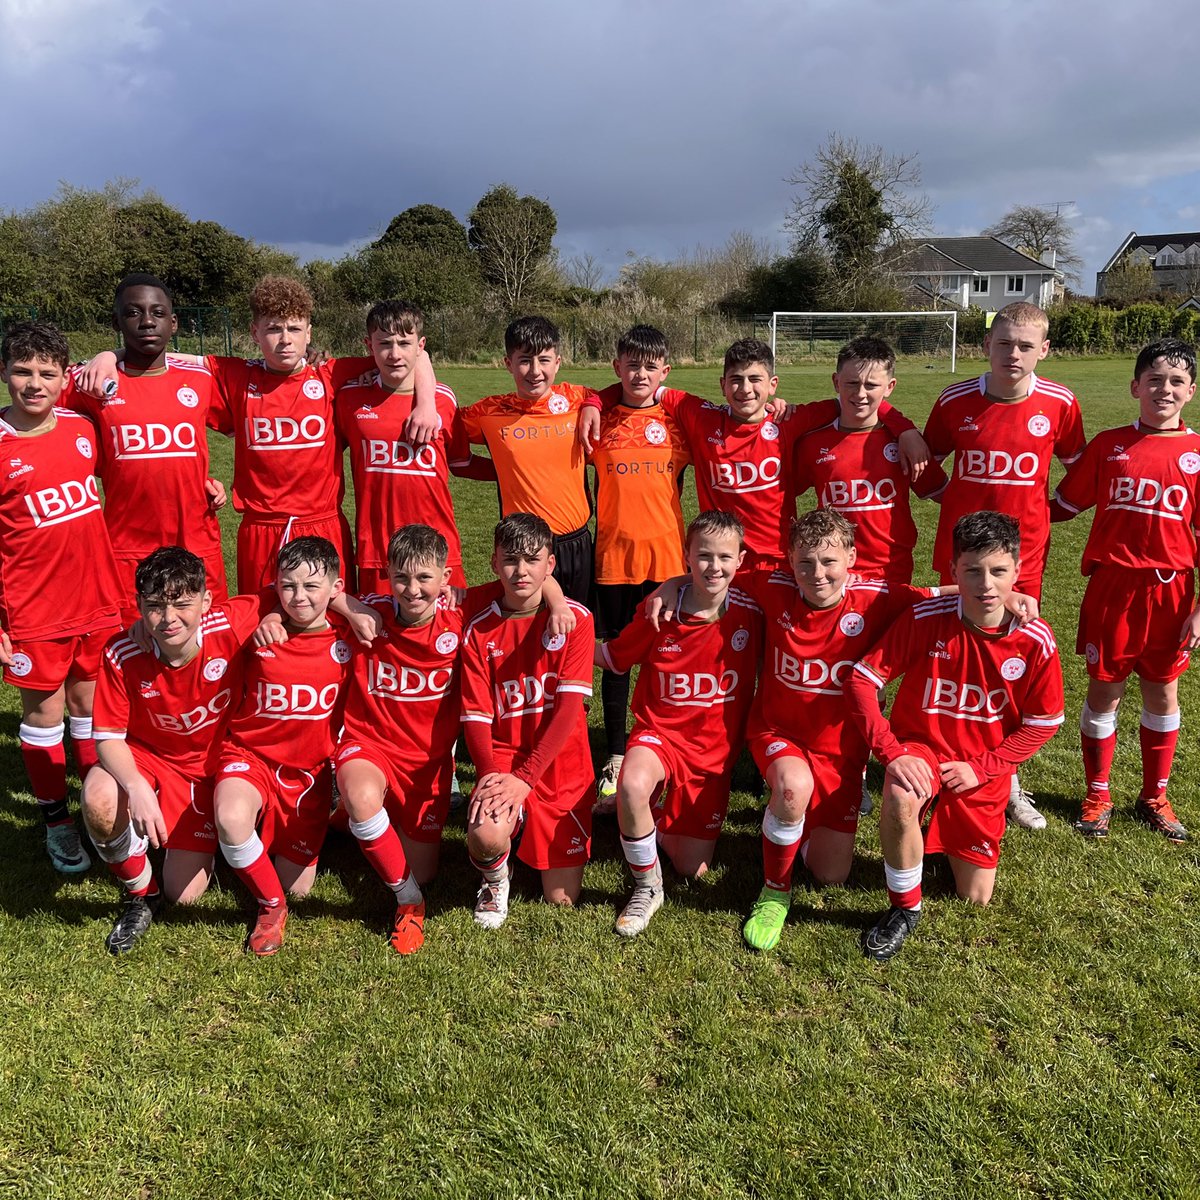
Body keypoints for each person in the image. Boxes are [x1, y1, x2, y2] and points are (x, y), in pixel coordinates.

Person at [80, 275, 441, 594]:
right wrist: (107, 355)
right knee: (263, 628)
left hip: (322, 524)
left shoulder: (331, 374)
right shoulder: (234, 375)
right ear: (255, 333)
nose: (285, 340)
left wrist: (426, 405)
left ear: (309, 332)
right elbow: (157, 352)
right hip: (260, 530)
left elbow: (414, 353)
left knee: (334, 625)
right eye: (272, 329)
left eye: (294, 329)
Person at [334, 522, 577, 953]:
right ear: (386, 573)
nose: (412, 590)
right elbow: (307, 595)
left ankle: (352, 827)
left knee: (425, 868)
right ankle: (408, 901)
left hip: (426, 764)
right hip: (369, 746)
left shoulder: (462, 614)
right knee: (360, 795)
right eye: (401, 578)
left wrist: (557, 599)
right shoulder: (369, 611)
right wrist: (347, 606)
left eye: (425, 578)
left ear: (447, 579)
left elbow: (525, 580)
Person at [847, 512, 1065, 961]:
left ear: (1018, 572)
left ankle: (943, 826)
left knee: (974, 897)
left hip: (980, 763)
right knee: (901, 793)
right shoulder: (926, 617)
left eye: (999, 571)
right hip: (921, 748)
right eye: (972, 570)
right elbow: (862, 679)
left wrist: (982, 769)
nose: (986, 584)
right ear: (953, 570)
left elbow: (1043, 723)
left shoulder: (1035, 640)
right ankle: (904, 908)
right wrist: (890, 752)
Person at [923, 301, 1085, 831]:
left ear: (1044, 350)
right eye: (1003, 343)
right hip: (962, 557)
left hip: (1022, 562)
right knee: (947, 660)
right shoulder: (954, 400)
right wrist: (951, 501)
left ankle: (1007, 782)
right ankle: (939, 769)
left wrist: (1047, 512)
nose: (1012, 353)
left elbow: (1080, 472)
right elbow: (923, 465)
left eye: (1024, 345)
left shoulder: (1061, 404)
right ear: (986, 346)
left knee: (1007, 665)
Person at [580, 337, 929, 576]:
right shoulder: (700, 416)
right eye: (736, 380)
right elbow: (644, 384)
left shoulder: (791, 421)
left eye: (755, 380)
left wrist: (905, 428)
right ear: (722, 385)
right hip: (720, 561)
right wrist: (596, 402)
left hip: (780, 561)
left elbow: (860, 399)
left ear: (773, 384)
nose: (745, 389)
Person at [81, 547, 280, 953]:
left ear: (206, 602)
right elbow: (107, 738)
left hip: (216, 762)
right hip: (150, 756)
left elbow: (293, 592)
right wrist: (135, 787)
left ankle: (214, 837)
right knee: (99, 799)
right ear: (138, 605)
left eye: (182, 605)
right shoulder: (122, 652)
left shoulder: (231, 623)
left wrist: (341, 611)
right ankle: (141, 893)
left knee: (185, 894)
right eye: (154, 607)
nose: (168, 619)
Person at [1052, 337, 1200, 842]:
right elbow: (1062, 507)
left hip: (1173, 591)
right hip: (1114, 588)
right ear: (1135, 386)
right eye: (1155, 379)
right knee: (1104, 692)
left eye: (1177, 381)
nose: (1165, 389)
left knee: (1162, 693)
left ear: (1191, 392)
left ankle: (1155, 794)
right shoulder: (1109, 445)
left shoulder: (1197, 453)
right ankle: (1097, 793)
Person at [599, 510, 762, 936]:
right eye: (703, 555)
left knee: (694, 868)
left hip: (713, 751)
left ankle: (642, 816)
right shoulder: (660, 612)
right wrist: (557, 642)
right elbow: (615, 657)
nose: (714, 566)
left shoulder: (754, 609)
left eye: (725, 557)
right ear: (686, 555)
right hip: (660, 733)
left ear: (741, 560)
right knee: (632, 783)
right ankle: (647, 885)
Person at [0, 321, 122, 873]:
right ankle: (57, 822)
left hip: (97, 599)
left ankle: (100, 807)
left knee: (90, 711)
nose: (34, 383)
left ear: (62, 377)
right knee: (44, 719)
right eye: (22, 371)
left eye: (47, 373)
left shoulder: (80, 425)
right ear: (4, 373)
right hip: (32, 612)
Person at [213, 537, 353, 956]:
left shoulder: (352, 632)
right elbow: (196, 617)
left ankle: (318, 826)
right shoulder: (256, 622)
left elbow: (406, 604)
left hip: (308, 775)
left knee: (302, 888)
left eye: (312, 587)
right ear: (274, 585)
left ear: (335, 587)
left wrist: (352, 607)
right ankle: (271, 907)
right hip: (250, 756)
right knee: (230, 818)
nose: (298, 597)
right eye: (287, 586)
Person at [459, 513, 595, 928]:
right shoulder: (477, 629)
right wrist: (488, 777)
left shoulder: (577, 620)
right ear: (494, 563)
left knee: (560, 899)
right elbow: (476, 717)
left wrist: (527, 777)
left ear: (549, 565)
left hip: (561, 763)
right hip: (503, 755)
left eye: (533, 560)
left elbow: (569, 712)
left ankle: (528, 826)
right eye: (511, 560)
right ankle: (496, 878)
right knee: (485, 835)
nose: (521, 571)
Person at [67, 274, 228, 619]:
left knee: (208, 638)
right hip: (128, 544)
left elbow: (263, 381)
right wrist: (108, 355)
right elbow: (39, 379)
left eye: (157, 313)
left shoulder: (201, 378)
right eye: (133, 313)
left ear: (174, 323)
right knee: (132, 644)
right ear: (116, 321)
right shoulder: (94, 381)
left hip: (196, 538)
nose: (146, 322)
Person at [587, 325, 691, 811]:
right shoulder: (597, 420)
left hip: (668, 562)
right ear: (617, 368)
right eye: (632, 364)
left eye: (651, 366)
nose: (640, 374)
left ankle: (664, 750)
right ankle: (614, 754)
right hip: (612, 559)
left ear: (665, 372)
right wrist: (592, 400)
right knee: (615, 660)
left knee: (664, 658)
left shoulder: (680, 423)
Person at [335, 299, 494, 595]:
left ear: (421, 346)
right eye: (384, 344)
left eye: (404, 343)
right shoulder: (349, 398)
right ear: (368, 345)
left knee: (447, 635)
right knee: (380, 634)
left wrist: (512, 472)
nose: (394, 354)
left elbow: (461, 462)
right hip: (378, 552)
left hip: (439, 546)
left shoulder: (443, 399)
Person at [460, 317, 597, 605]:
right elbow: (442, 428)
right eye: (524, 361)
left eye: (544, 360)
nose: (535, 371)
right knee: (528, 632)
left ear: (558, 362)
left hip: (577, 542)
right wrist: (501, 472)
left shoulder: (576, 399)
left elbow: (606, 396)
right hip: (523, 548)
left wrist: (593, 404)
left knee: (577, 627)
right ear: (508, 363)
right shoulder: (488, 412)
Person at [793, 336, 947, 583]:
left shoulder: (905, 443)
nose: (860, 394)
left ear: (890, 386)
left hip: (892, 570)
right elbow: (782, 493)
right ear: (836, 382)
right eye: (851, 383)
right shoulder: (813, 443)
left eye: (871, 385)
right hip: (834, 571)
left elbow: (942, 492)